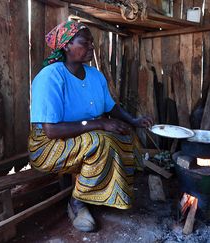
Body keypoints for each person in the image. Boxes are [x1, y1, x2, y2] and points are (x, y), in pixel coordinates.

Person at [28, 20, 153, 232]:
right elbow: (51, 131)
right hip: (48, 146)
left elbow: (110, 106)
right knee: (100, 140)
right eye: (84, 42)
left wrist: (133, 121)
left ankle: (110, 188)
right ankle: (78, 202)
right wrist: (99, 123)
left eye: (92, 43)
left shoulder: (95, 75)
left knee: (124, 134)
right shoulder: (50, 77)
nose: (91, 47)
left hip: (82, 136)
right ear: (66, 45)